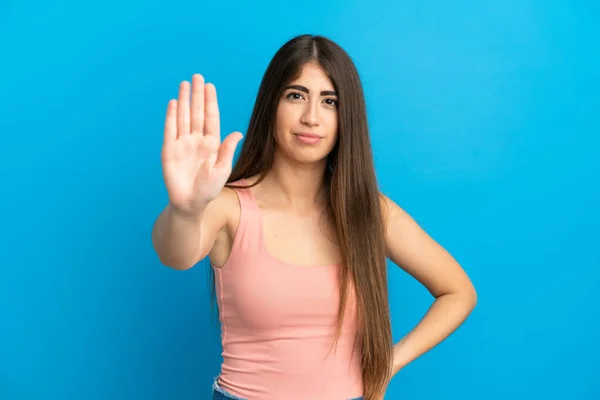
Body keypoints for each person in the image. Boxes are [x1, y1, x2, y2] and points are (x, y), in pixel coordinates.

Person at [151, 34, 477, 400]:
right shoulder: (228, 206)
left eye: (329, 101)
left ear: (345, 116)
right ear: (271, 104)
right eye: (296, 95)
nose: (311, 117)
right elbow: (174, 255)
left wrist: (389, 363)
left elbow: (458, 291)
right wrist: (186, 209)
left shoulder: (370, 213)